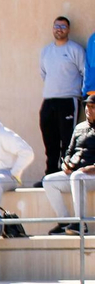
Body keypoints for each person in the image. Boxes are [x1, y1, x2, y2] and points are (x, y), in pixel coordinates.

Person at [40, 16, 87, 181]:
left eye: (63, 26)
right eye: (56, 26)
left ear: (68, 30)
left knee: (68, 140)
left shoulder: (75, 50)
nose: (59, 29)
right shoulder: (46, 51)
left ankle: (66, 175)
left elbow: (84, 72)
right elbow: (44, 73)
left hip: (68, 100)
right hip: (49, 101)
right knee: (50, 141)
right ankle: (50, 176)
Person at [44, 95, 95, 234]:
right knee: (48, 181)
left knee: (77, 177)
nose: (88, 110)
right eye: (87, 106)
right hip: (76, 174)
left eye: (92, 107)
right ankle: (64, 222)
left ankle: (80, 223)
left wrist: (92, 168)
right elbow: (68, 151)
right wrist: (65, 164)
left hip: (91, 175)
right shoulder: (79, 127)